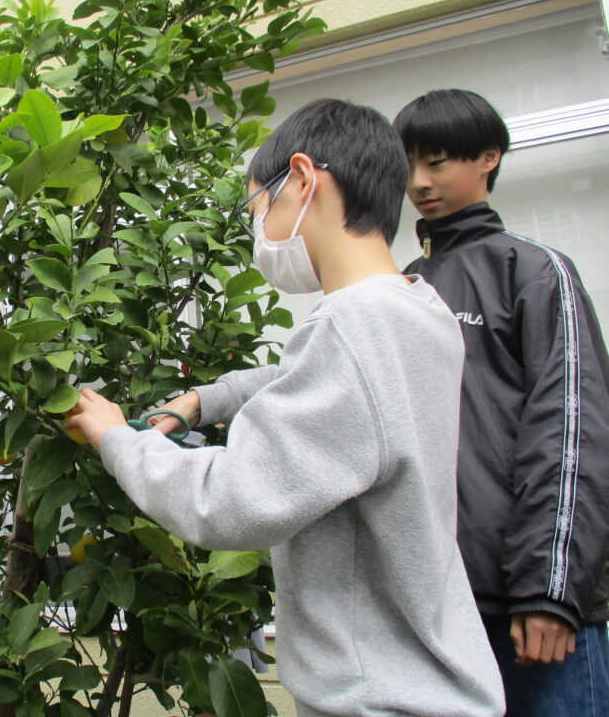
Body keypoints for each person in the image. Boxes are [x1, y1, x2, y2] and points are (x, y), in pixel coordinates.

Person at [65, 99, 505, 717]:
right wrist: (205, 401)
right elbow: (330, 387)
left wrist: (118, 439)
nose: (259, 230)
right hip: (426, 680)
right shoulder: (418, 311)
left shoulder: (352, 328)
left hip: (378, 697)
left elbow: (228, 501)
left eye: (257, 208)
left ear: (301, 179)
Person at [393, 88, 609, 717]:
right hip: (437, 607)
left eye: (437, 161)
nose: (419, 182)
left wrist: (550, 591)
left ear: (488, 157)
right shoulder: (401, 286)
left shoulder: (534, 271)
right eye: (409, 165)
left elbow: (571, 430)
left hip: (531, 612)